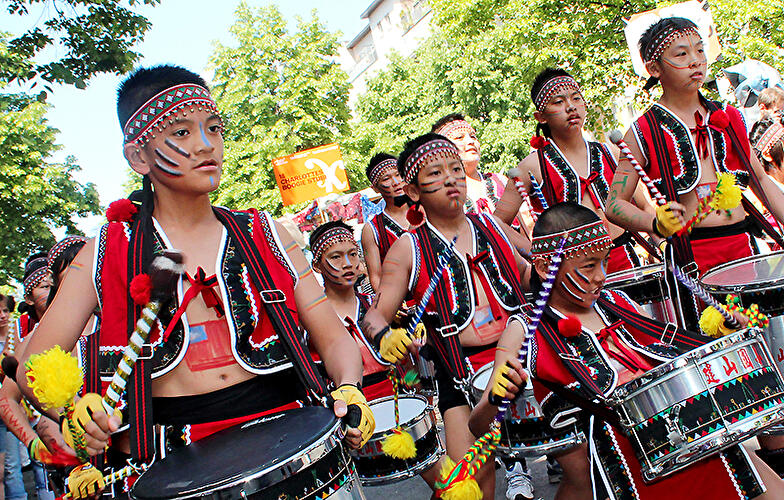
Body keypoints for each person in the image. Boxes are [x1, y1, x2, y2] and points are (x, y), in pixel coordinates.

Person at [16, 65, 372, 498]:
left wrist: (350, 387)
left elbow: (334, 339)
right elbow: (31, 363)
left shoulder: (269, 235)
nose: (207, 145)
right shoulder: (106, 252)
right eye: (181, 133)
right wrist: (75, 415)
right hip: (173, 471)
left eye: (214, 128)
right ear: (138, 157)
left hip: (292, 449)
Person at [476, 201, 784, 499]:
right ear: (545, 267)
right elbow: (478, 425)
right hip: (624, 469)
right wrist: (496, 396)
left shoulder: (620, 304)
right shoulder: (524, 330)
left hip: (693, 438)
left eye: (605, 261)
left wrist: (723, 334)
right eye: (588, 266)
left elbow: (669, 360)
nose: (601, 275)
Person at [361, 133, 531, 498]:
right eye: (436, 173)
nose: (451, 178)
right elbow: (374, 317)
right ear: (413, 191)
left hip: (524, 359)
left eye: (455, 168)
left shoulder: (491, 224)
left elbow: (528, 273)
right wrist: (384, 336)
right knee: (472, 489)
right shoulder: (408, 248)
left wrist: (557, 264)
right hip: (460, 377)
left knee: (576, 465)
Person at [605, 17, 784, 332]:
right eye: (681, 54)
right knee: (727, 361)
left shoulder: (730, 117)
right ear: (654, 68)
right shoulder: (643, 131)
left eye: (700, 51)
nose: (695, 62)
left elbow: (763, 184)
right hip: (693, 261)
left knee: (771, 343)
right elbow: (614, 205)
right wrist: (654, 222)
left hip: (745, 249)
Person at [310, 220, 442, 488]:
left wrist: (416, 364)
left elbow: (411, 373)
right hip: (348, 418)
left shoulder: (380, 308)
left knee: (449, 485)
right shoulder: (312, 319)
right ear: (316, 265)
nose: (348, 263)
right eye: (335, 256)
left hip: (396, 406)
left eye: (353, 254)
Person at [494, 68, 656, 274]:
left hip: (626, 259)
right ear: (541, 117)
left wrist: (658, 239)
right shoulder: (532, 167)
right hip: (573, 271)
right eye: (558, 102)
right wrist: (539, 253)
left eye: (576, 98)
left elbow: (643, 205)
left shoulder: (611, 153)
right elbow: (497, 223)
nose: (570, 107)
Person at [432, 113, 534, 241]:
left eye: (473, 137)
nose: (470, 142)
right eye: (459, 137)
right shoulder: (439, 195)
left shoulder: (500, 182)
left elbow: (528, 224)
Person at [361, 153, 413, 291]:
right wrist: (389, 305)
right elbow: (376, 277)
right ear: (375, 188)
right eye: (386, 179)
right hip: (405, 301)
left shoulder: (426, 209)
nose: (396, 182)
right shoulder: (372, 230)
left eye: (398, 174)